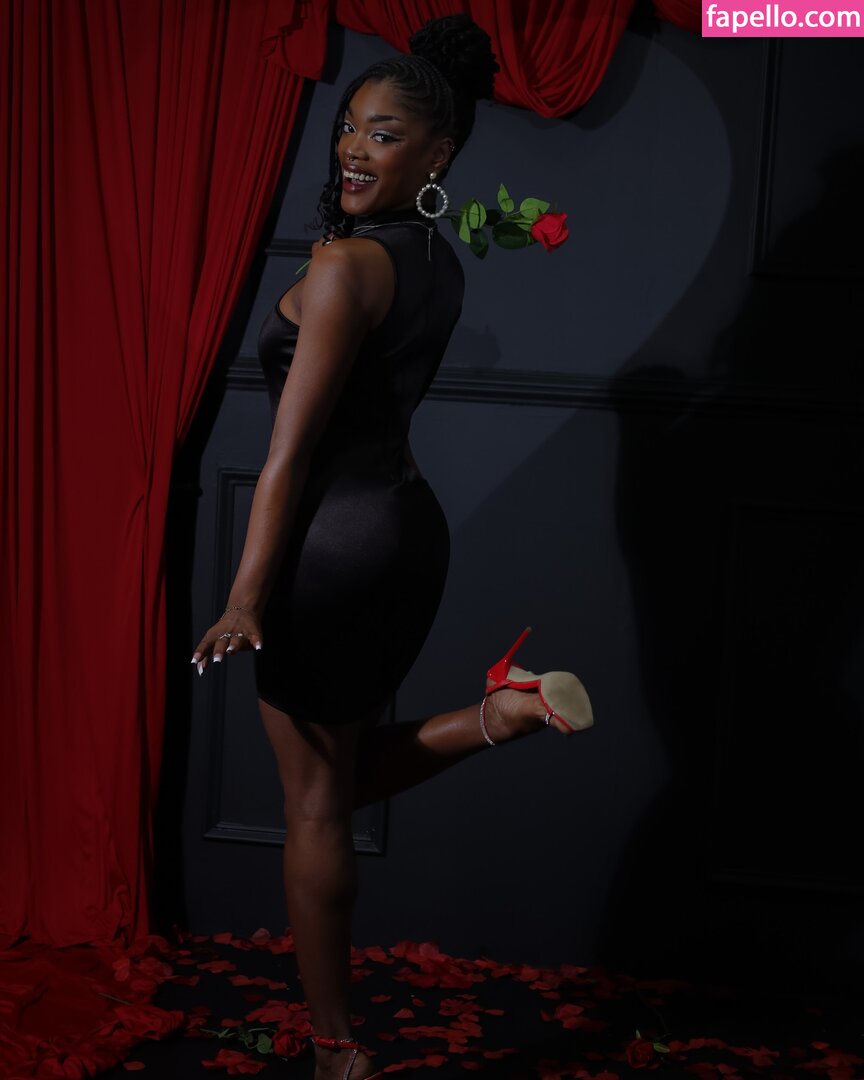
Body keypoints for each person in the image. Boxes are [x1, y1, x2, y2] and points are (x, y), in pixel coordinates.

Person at [191, 15, 593, 1080]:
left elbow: (288, 456)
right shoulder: (437, 261)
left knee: (313, 803)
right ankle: (499, 714)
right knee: (333, 780)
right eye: (348, 131)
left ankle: (336, 1051)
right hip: (406, 535)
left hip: (329, 548)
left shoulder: (343, 267)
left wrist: (245, 594)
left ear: (437, 153)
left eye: (383, 134)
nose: (354, 152)